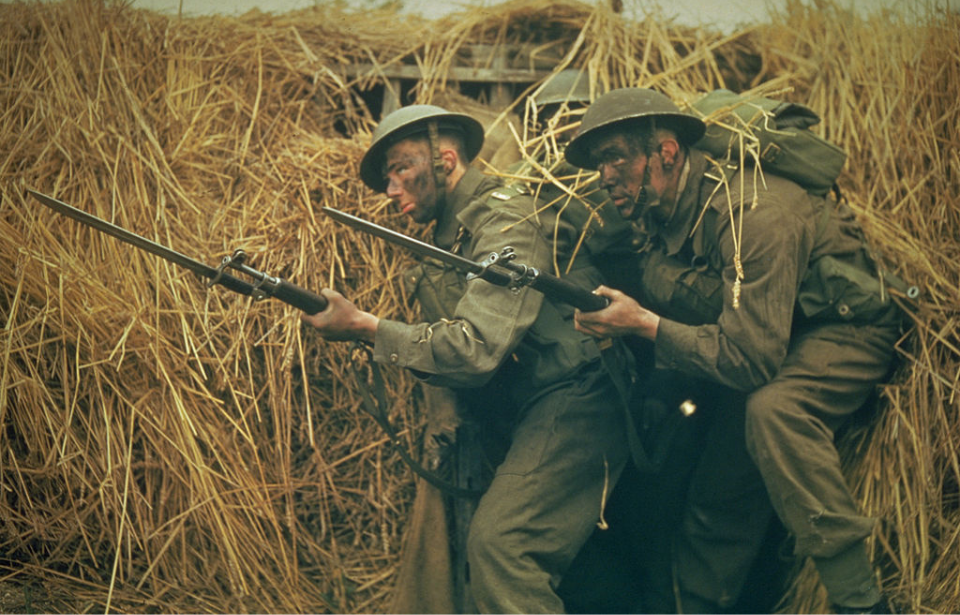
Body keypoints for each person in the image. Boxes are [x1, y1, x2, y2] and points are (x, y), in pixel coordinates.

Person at [563, 87, 902, 613]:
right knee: (720, 493)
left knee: (775, 413)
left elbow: (752, 361)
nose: (605, 175)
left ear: (667, 152)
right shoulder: (654, 207)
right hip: (767, 335)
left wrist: (644, 324)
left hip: (839, 329)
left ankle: (861, 602)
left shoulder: (755, 213)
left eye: (615, 158)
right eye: (599, 163)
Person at [300, 103, 632, 613]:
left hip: (578, 394)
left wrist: (366, 328)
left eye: (401, 169)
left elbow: (477, 347)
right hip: (525, 407)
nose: (391, 191)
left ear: (447, 159)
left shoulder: (504, 217)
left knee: (503, 547)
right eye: (388, 177)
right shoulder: (446, 238)